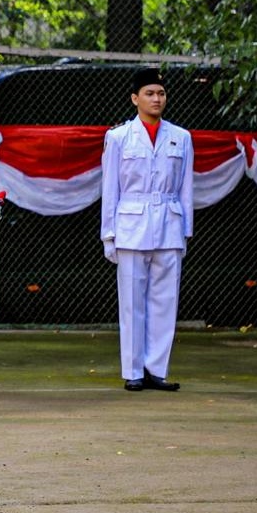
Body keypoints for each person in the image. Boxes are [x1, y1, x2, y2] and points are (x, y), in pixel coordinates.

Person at [100, 67, 194, 392]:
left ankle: (157, 369)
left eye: (161, 93)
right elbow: (110, 188)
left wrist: (185, 231)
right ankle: (133, 371)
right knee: (132, 302)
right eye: (150, 93)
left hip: (168, 223)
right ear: (135, 98)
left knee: (165, 301)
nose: (156, 99)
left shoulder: (180, 137)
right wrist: (108, 234)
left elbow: (186, 188)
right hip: (131, 224)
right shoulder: (118, 137)